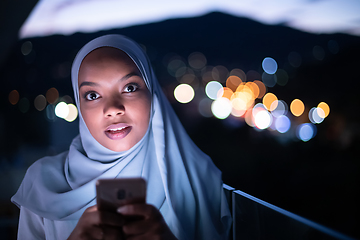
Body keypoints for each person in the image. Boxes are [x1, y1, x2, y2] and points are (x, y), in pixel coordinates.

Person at [11, 34, 232, 240]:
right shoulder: (42, 184)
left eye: (130, 87)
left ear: (152, 94)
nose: (113, 108)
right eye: (93, 95)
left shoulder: (199, 177)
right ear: (80, 104)